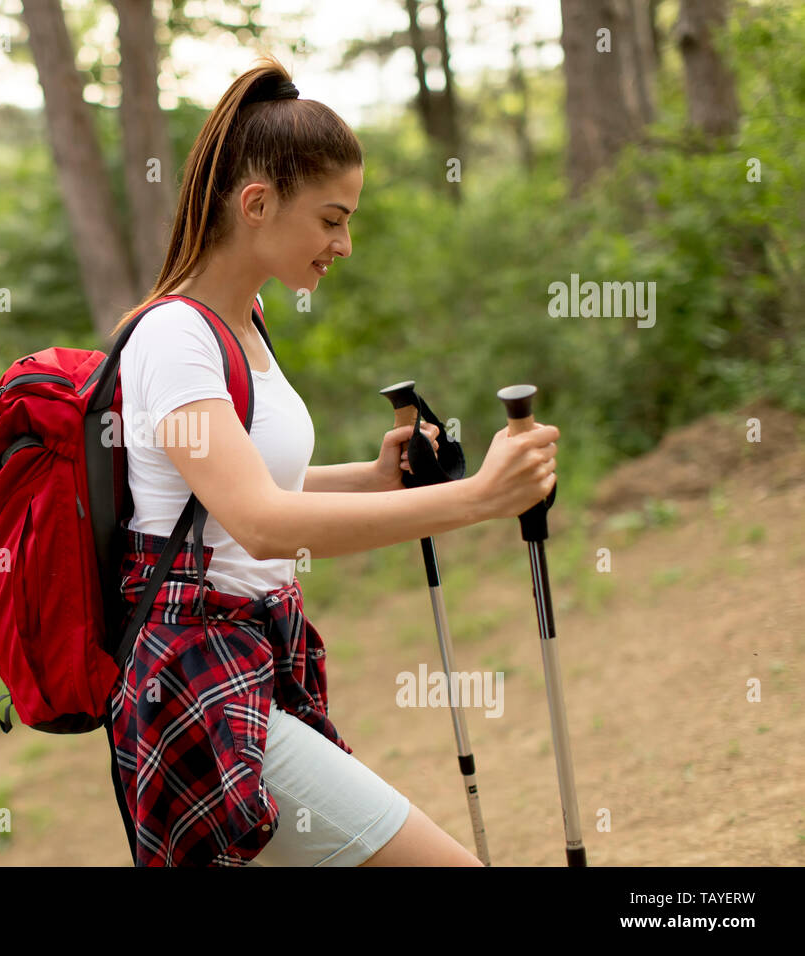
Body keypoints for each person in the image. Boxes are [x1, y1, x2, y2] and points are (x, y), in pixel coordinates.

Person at [104, 54, 559, 867]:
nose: (345, 244)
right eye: (331, 218)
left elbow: (234, 494)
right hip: (199, 685)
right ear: (256, 203)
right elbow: (262, 522)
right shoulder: (174, 339)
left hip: (256, 666)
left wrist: (375, 478)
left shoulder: (246, 323)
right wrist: (482, 498)